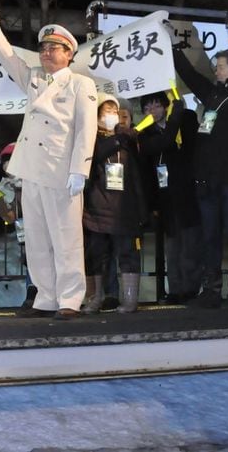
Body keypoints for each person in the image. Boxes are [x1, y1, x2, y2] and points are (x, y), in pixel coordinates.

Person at [0, 0, 98, 319]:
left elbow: (85, 129)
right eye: (44, 47)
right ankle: (45, 296)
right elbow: (6, 57)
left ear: (69, 53)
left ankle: (70, 299)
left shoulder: (79, 84)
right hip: (31, 169)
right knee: (35, 238)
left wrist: (81, 169)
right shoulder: (34, 78)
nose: (47, 53)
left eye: (55, 48)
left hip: (62, 170)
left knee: (66, 237)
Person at [171, 40, 228, 309]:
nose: (217, 71)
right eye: (217, 68)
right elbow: (190, 75)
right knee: (210, 234)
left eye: (222, 67)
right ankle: (211, 289)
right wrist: (173, 48)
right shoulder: (212, 95)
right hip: (207, 178)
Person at [82, 94, 147, 314]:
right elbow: (96, 155)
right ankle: (95, 297)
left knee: (128, 253)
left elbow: (137, 175)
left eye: (114, 112)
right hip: (98, 207)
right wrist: (120, 138)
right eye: (106, 112)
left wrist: (142, 207)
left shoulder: (129, 140)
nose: (111, 116)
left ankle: (130, 299)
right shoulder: (91, 139)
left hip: (124, 207)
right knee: (96, 255)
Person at [136, 91, 202, 304]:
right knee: (172, 247)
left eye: (155, 106)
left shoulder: (185, 120)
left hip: (189, 192)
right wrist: (152, 203)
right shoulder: (145, 135)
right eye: (146, 108)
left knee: (191, 244)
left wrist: (181, 113)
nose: (151, 112)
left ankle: (191, 288)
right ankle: (175, 289)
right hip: (165, 197)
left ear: (165, 106)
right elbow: (162, 145)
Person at [0, 143, 38, 308]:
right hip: (22, 227)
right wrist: (0, 205)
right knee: (29, 259)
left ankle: (42, 290)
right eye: (5, 164)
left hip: (38, 223)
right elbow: (9, 214)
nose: (9, 167)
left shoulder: (32, 181)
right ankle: (32, 290)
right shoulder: (5, 184)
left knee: (40, 257)